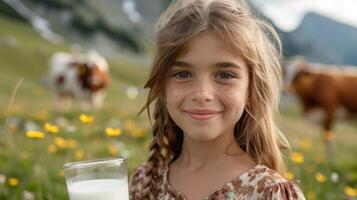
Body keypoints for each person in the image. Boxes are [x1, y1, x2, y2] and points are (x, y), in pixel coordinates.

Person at [129, 0, 305, 199]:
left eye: (225, 75)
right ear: (162, 86)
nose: (202, 93)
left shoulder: (269, 192)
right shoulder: (143, 183)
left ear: (251, 90)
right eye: (183, 74)